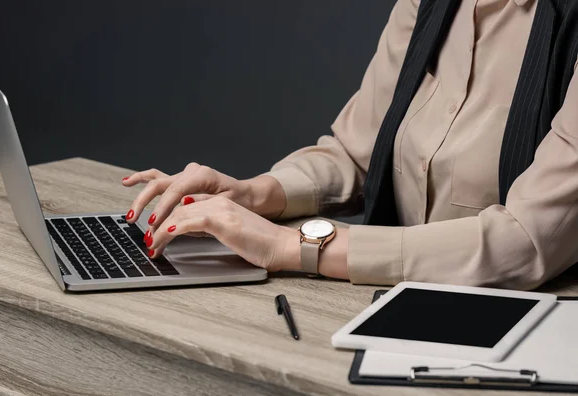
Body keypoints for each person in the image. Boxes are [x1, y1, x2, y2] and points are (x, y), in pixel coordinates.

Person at [122, 0, 578, 290]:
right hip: (392, 307)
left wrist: (292, 246)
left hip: (526, 339)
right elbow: (357, 153)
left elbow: (525, 240)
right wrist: (251, 195)